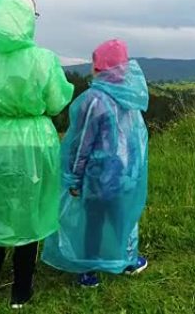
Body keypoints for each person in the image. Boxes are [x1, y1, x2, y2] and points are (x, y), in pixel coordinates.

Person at [0, 0, 74, 312]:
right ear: (28, 18)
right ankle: (20, 294)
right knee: (30, 213)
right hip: (34, 142)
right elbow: (56, 101)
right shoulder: (43, 59)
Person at [41, 39, 149, 287]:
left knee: (93, 222)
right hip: (125, 178)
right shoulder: (131, 99)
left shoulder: (94, 100)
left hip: (97, 178)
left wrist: (74, 178)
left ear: (99, 68)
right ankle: (128, 259)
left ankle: (88, 270)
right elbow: (136, 142)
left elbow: (81, 145)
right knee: (123, 218)